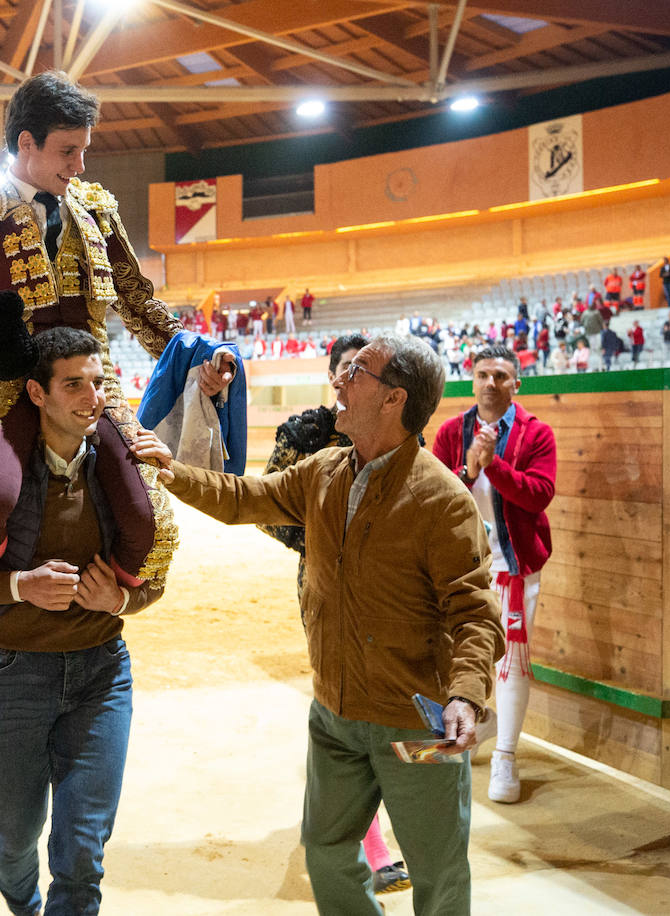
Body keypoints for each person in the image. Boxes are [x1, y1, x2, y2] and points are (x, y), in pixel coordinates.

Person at [131, 334, 503, 915]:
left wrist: (465, 694)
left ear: (393, 400)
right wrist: (173, 472)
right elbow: (244, 498)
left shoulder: (443, 500)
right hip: (334, 713)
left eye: (355, 371)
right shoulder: (325, 471)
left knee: (438, 872)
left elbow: (476, 612)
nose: (339, 380)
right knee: (326, 848)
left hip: (419, 723)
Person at [0, 69, 222, 589]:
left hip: (94, 383)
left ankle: (98, 610)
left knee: (150, 524)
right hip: (13, 384)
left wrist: (200, 356)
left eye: (84, 151)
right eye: (68, 151)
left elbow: (138, 301)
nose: (79, 167)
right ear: (25, 143)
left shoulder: (96, 209)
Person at [0, 327, 166, 916]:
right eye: (74, 384)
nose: (93, 397)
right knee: (16, 832)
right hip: (12, 675)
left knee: (83, 848)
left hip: (102, 674)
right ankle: (23, 906)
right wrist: (17, 586)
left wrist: (121, 603)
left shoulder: (123, 470)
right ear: (36, 392)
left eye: (98, 382)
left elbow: (153, 582)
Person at [256, 333, 410, 896]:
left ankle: (358, 822)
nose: (354, 381)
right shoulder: (303, 434)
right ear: (333, 376)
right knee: (344, 703)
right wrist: (333, 540)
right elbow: (270, 514)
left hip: (392, 589)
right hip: (325, 583)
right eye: (347, 370)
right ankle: (369, 843)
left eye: (365, 372)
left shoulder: (398, 429)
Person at [432, 345, 557, 805]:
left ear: (516, 384)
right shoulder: (450, 432)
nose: (491, 383)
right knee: (461, 654)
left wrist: (494, 465)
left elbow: (539, 496)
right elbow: (439, 498)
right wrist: (468, 468)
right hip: (464, 568)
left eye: (501, 376)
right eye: (483, 374)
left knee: (511, 662)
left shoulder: (537, 433)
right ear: (472, 380)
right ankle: (482, 725)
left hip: (516, 565)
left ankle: (505, 752)